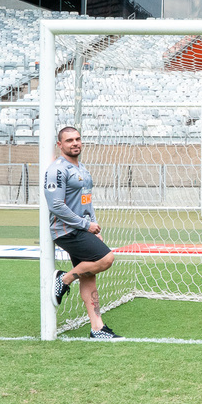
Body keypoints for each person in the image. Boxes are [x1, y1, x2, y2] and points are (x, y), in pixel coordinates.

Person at [46, 126, 121, 339]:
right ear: (60, 145)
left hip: (82, 228)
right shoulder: (57, 170)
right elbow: (56, 206)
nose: (75, 143)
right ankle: (64, 279)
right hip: (67, 230)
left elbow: (86, 202)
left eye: (77, 139)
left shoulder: (82, 169)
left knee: (89, 277)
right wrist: (85, 225)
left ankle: (97, 328)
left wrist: (94, 225)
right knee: (106, 258)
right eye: (69, 140)